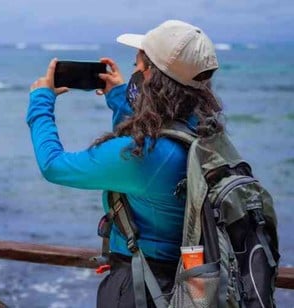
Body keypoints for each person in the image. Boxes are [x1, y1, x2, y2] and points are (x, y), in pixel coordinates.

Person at [27, 20, 222, 307]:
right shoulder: (204, 132)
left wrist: (40, 101)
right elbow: (146, 148)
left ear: (150, 77)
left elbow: (54, 166)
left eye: (136, 66)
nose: (133, 74)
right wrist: (120, 97)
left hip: (144, 288)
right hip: (188, 283)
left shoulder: (145, 155)